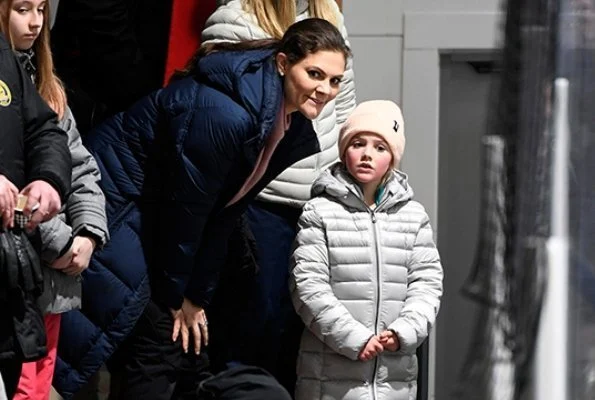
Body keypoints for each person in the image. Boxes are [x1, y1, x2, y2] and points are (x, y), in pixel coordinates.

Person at [53, 18, 351, 399]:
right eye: (315, 74)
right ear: (282, 64)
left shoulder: (284, 122)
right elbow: (187, 211)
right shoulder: (229, 112)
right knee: (158, 341)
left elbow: (224, 211)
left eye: (335, 80)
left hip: (151, 216)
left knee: (179, 346)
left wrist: (197, 296)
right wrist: (180, 298)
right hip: (115, 204)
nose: (325, 89)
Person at [201, 0, 356, 383]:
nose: (325, 88)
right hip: (258, 201)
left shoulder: (331, 17)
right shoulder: (236, 17)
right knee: (251, 333)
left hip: (315, 205)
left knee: (295, 338)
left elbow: (345, 112)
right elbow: (220, 114)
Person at [289, 100, 444, 400]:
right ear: (345, 149)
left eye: (380, 147)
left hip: (395, 382)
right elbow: (307, 287)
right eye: (358, 143)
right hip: (329, 380)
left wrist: (404, 332)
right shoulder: (319, 211)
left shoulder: (413, 216)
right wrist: (355, 339)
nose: (367, 154)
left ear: (393, 157)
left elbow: (428, 284)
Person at [0, 0, 109, 398]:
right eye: (21, 8)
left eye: (42, 9)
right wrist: (61, 241)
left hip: (51, 286)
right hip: (17, 277)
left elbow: (81, 169)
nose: (34, 22)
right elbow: (15, 190)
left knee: (37, 388)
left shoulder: (47, 86)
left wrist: (88, 234)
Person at [0, 26, 71, 399]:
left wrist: (48, 179)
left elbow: (45, 129)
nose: (35, 21)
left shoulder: (3, 56)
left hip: (9, 265)